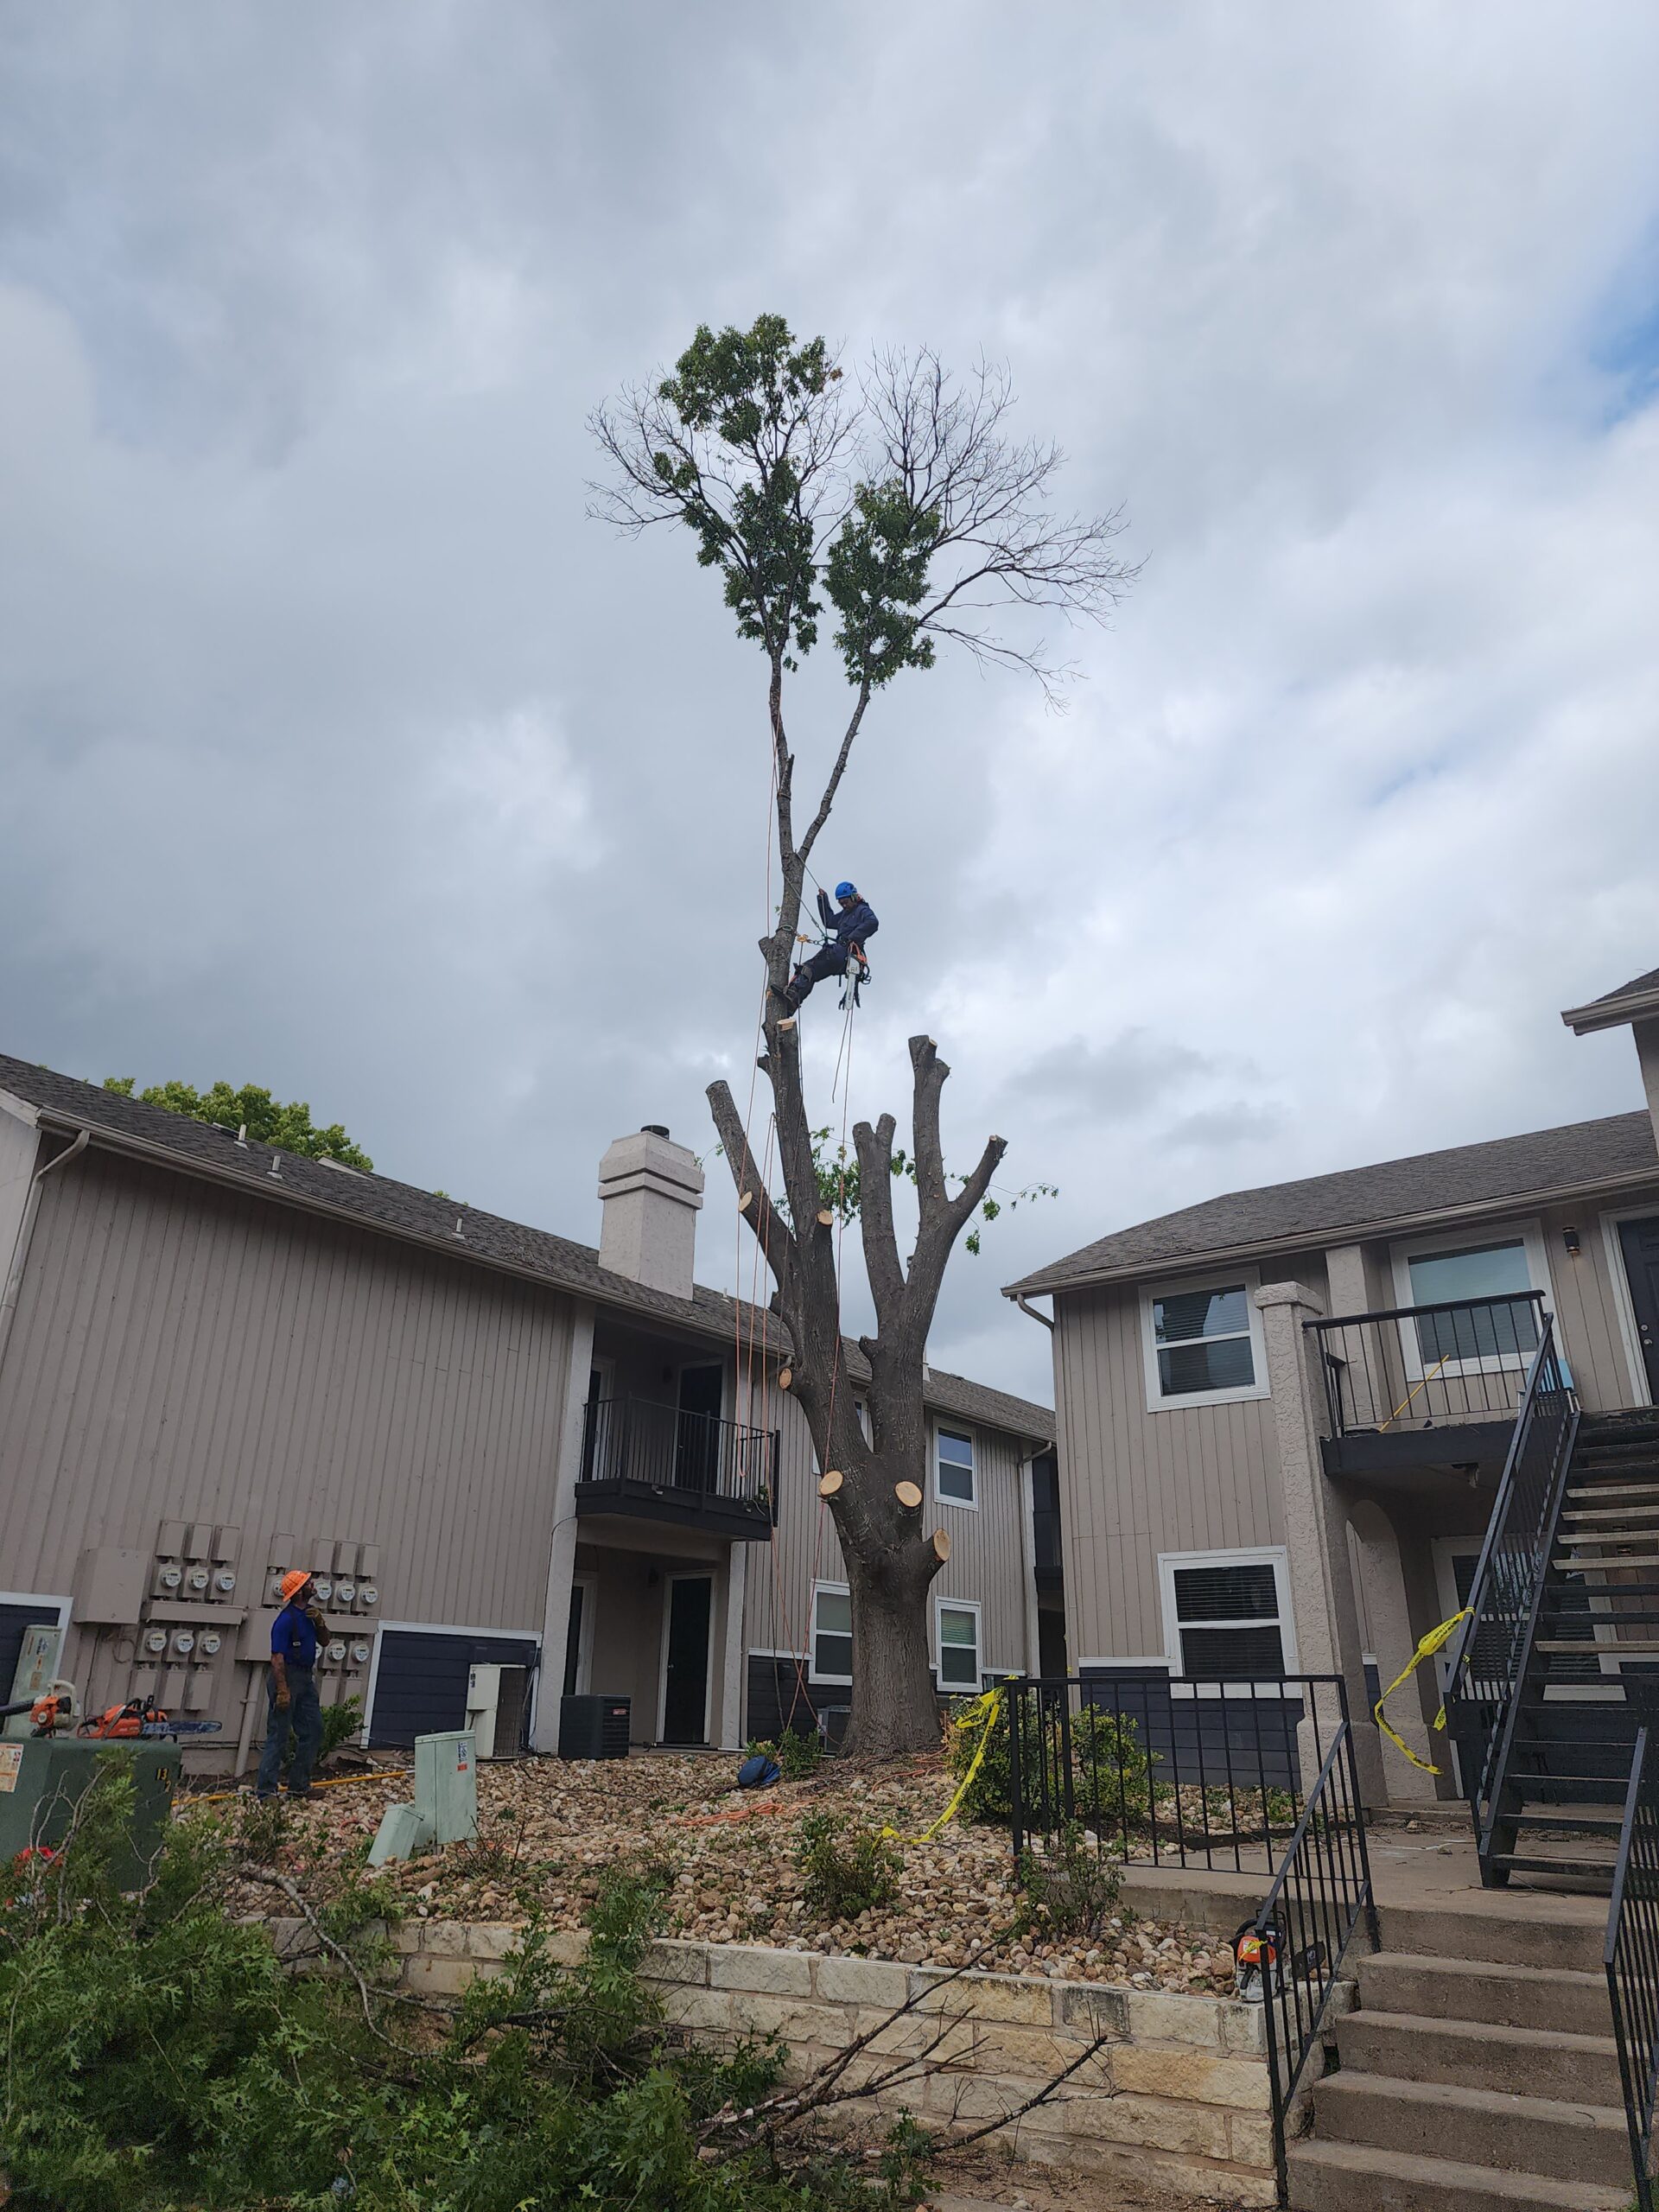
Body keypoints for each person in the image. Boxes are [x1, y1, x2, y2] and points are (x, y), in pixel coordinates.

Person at [255, 1567, 324, 1799]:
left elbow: (325, 1641)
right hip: (286, 1677)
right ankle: (265, 1792)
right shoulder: (284, 1621)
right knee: (279, 1735)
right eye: (308, 1584)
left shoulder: (310, 1616)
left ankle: (298, 1787)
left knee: (314, 1730)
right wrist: (283, 1690)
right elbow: (277, 1658)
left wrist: (321, 1623)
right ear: (298, 1592)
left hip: (305, 1678)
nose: (312, 1586)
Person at [775, 881, 879, 1025]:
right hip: (838, 953)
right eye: (841, 903)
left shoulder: (862, 910)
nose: (843, 905)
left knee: (810, 968)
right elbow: (829, 921)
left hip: (845, 953)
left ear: (854, 897)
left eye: (846, 902)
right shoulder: (844, 915)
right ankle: (792, 1002)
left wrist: (852, 937)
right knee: (809, 971)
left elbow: (873, 923)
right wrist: (823, 900)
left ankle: (794, 994)